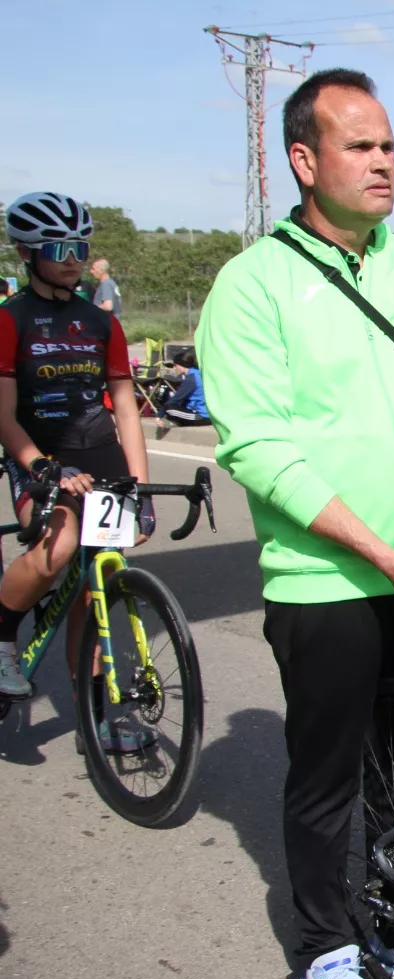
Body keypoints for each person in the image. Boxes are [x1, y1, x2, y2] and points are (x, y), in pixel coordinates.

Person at [195, 68, 394, 979]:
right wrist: (383, 552)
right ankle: (324, 951)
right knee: (327, 777)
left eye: (389, 144)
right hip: (326, 581)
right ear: (303, 159)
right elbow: (259, 447)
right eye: (359, 145)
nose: (382, 161)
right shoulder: (253, 283)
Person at [0, 192, 155, 721]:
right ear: (26, 253)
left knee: (98, 589)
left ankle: (95, 718)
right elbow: (3, 415)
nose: (72, 259)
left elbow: (127, 410)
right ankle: (2, 635)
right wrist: (40, 466)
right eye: (58, 248)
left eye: (80, 247)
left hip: (99, 449)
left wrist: (140, 486)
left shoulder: (100, 322)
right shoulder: (11, 319)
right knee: (60, 547)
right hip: (39, 452)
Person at [154, 348, 210, 433]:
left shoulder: (191, 379)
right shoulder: (198, 374)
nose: (174, 368)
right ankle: (175, 422)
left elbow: (176, 399)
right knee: (173, 406)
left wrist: (159, 416)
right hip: (204, 413)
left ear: (181, 365)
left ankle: (172, 422)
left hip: (202, 416)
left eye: (175, 365)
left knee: (168, 407)